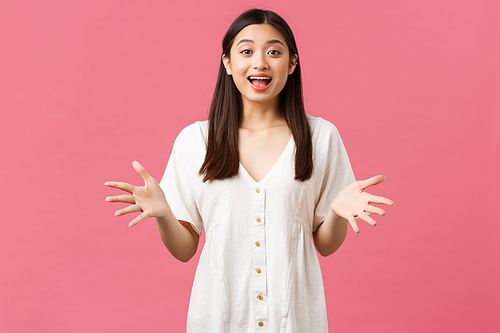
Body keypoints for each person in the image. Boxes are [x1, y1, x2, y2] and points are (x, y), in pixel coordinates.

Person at [105, 8, 394, 333]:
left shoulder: (320, 138)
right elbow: (184, 250)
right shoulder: (196, 141)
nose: (260, 62)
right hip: (218, 319)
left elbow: (325, 245)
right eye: (246, 51)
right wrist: (164, 216)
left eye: (274, 51)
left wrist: (337, 213)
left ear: (292, 63)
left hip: (295, 321)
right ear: (228, 63)